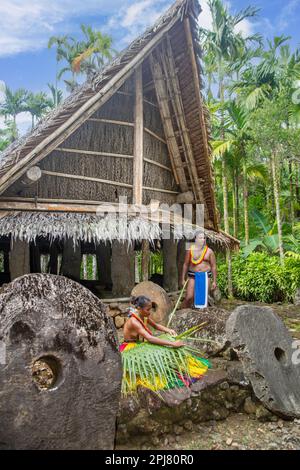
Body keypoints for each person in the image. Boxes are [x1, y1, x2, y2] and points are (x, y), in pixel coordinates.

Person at [120, 295, 211, 396]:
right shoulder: (134, 321)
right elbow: (150, 338)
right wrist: (172, 344)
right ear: (139, 308)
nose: (149, 312)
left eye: (150, 309)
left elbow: (155, 325)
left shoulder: (143, 315)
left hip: (139, 344)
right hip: (131, 348)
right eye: (147, 310)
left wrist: (168, 330)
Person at [181, 232, 217, 309]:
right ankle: (183, 312)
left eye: (204, 238)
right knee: (189, 297)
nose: (203, 240)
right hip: (192, 276)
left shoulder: (209, 251)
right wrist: (182, 279)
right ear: (196, 239)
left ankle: (202, 314)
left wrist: (214, 281)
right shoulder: (190, 250)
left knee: (203, 298)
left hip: (205, 276)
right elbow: (185, 264)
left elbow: (213, 266)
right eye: (200, 238)